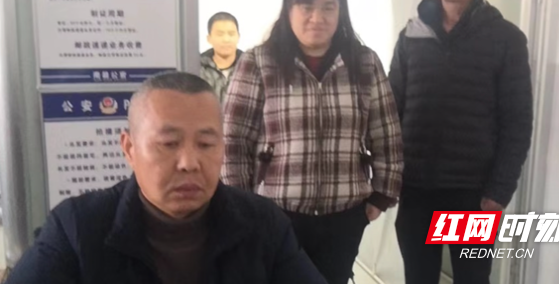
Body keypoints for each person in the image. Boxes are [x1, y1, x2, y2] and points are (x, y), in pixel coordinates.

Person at [6, 72, 327, 284]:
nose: (189, 163)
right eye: (168, 144)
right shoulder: (77, 228)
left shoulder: (263, 224)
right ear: (129, 148)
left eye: (206, 144)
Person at [221, 0, 403, 284]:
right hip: (276, 212)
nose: (317, 18)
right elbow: (233, 140)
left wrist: (381, 195)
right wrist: (241, 205)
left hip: (344, 213)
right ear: (289, 9)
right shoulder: (260, 62)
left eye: (328, 7)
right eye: (306, 7)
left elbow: (386, 133)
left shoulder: (364, 63)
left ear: (341, 11)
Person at [389, 0, 533, 284]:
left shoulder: (506, 39)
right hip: (416, 189)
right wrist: (389, 177)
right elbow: (391, 110)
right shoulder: (412, 36)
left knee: (472, 278)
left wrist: (498, 192)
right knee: (418, 278)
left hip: (474, 194)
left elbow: (517, 122)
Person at [200, 12, 243, 103]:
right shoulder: (198, 67)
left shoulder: (250, 67)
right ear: (209, 38)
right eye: (220, 34)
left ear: (238, 37)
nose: (226, 39)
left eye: (231, 34)